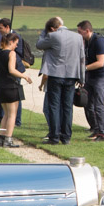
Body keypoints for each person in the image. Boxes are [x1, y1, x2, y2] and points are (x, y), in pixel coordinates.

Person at [36, 16, 85, 144]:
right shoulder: (78, 37)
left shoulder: (52, 36)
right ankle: (66, 136)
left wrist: (43, 33)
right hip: (71, 75)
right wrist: (81, 77)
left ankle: (54, 136)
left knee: (54, 106)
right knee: (68, 107)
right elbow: (82, 58)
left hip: (56, 74)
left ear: (52, 29)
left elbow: (39, 45)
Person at [76, 20, 104, 142]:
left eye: (79, 32)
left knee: (98, 105)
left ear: (87, 31)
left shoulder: (99, 41)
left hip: (101, 76)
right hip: (91, 76)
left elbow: (100, 63)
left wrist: (83, 69)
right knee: (88, 104)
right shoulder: (87, 42)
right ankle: (96, 129)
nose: (78, 34)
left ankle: (103, 133)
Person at [0, 33, 32, 148]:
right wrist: (24, 76)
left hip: (0, 86)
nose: (16, 46)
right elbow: (11, 70)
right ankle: (8, 139)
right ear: (10, 42)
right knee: (12, 115)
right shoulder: (12, 53)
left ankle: (1, 138)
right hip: (11, 86)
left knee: (5, 114)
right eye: (16, 43)